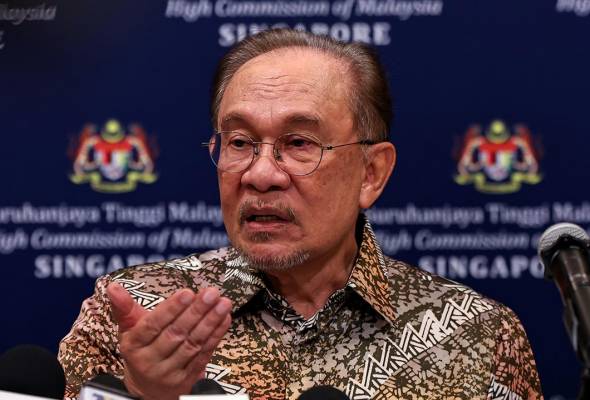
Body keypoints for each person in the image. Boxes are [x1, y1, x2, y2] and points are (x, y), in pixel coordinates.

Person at [59, 29, 543, 400]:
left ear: (371, 173)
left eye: (298, 143)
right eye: (239, 142)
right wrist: (143, 395)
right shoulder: (135, 314)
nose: (260, 174)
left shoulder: (476, 333)